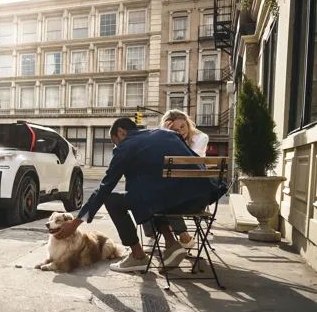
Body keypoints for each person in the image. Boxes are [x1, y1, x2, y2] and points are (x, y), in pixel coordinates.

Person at [53, 118, 219, 272]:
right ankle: (171, 244)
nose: (115, 147)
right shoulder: (169, 134)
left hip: (171, 201)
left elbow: (105, 187)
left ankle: (138, 256)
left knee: (113, 200)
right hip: (201, 198)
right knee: (148, 193)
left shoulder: (126, 146)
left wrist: (76, 222)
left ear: (121, 133)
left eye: (114, 143)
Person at [142, 110, 211, 251]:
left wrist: (171, 138)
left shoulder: (200, 138)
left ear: (188, 123)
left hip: (194, 194)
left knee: (160, 196)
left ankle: (174, 236)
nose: (180, 131)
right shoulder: (167, 138)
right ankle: (160, 236)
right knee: (146, 192)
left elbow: (189, 163)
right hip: (174, 191)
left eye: (183, 127)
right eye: (175, 130)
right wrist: (165, 136)